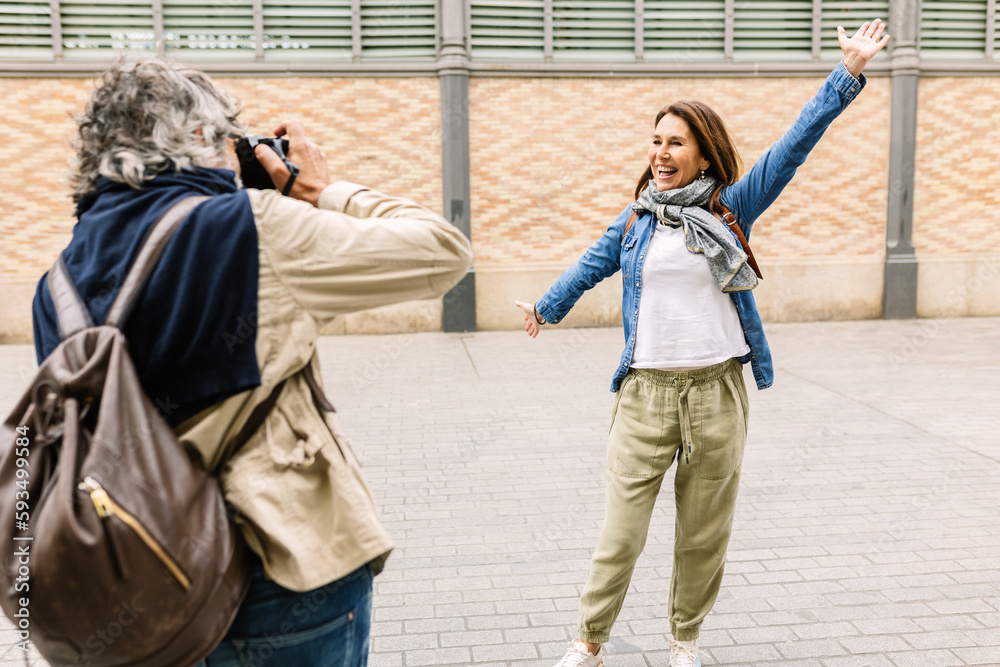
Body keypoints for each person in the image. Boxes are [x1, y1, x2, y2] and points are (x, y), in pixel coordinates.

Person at [31, 58, 472, 666]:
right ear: (196, 137)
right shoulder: (255, 229)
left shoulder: (57, 282)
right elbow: (442, 252)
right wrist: (319, 191)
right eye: (229, 137)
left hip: (143, 586)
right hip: (280, 574)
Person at [514, 20, 889, 667]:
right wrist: (546, 308)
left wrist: (847, 73)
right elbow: (590, 264)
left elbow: (792, 147)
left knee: (702, 533)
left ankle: (685, 639)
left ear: (704, 153)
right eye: (655, 140)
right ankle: (589, 639)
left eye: (675, 142)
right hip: (644, 395)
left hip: (716, 392)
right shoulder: (636, 220)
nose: (660, 152)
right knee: (620, 533)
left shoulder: (730, 209)